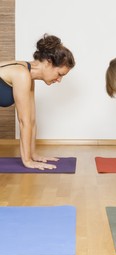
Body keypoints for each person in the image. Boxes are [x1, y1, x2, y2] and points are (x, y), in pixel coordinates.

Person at [0, 34, 75, 170]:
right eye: (59, 74)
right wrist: (27, 161)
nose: (59, 80)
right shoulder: (22, 74)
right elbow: (23, 122)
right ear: (48, 62)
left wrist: (33, 154)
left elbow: (31, 120)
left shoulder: (28, 75)